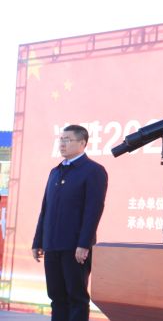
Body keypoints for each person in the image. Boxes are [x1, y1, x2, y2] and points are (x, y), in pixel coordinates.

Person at [32, 124, 108, 321]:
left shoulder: (93, 171)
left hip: (75, 247)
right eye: (61, 139)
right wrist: (38, 241)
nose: (62, 144)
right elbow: (45, 209)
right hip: (52, 245)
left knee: (76, 297)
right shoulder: (55, 172)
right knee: (56, 297)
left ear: (82, 143)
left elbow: (93, 211)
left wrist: (84, 244)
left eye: (67, 140)